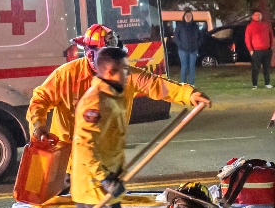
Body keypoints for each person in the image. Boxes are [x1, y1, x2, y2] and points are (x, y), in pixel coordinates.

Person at [24, 46, 132, 208]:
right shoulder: (91, 96)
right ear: (109, 69)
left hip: (91, 181)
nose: (128, 74)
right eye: (124, 70)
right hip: (93, 182)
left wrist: (190, 94)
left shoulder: (114, 89)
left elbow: (155, 84)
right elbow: (85, 147)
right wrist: (105, 179)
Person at [27, 23, 209, 144]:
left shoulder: (125, 74)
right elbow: (40, 99)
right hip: (69, 163)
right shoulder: (66, 75)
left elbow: (156, 85)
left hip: (107, 161)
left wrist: (189, 95)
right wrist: (39, 125)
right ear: (91, 55)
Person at [174, 10, 204, 86]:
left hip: (193, 50)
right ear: (184, 17)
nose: (188, 17)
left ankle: (191, 84)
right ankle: (183, 84)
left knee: (192, 67)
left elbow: (200, 36)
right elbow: (176, 36)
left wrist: (197, 44)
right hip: (182, 50)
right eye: (186, 16)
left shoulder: (195, 26)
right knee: (184, 67)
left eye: (190, 16)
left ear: (192, 17)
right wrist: (180, 44)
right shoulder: (180, 25)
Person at [245, 11, 274, 89]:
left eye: (259, 15)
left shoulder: (266, 25)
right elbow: (247, 39)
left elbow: (271, 36)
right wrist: (251, 50)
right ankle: (255, 85)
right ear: (252, 17)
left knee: (267, 68)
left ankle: (267, 83)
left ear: (261, 16)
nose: (257, 16)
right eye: (256, 15)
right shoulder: (250, 27)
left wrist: (270, 46)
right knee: (255, 68)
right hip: (256, 51)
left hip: (267, 50)